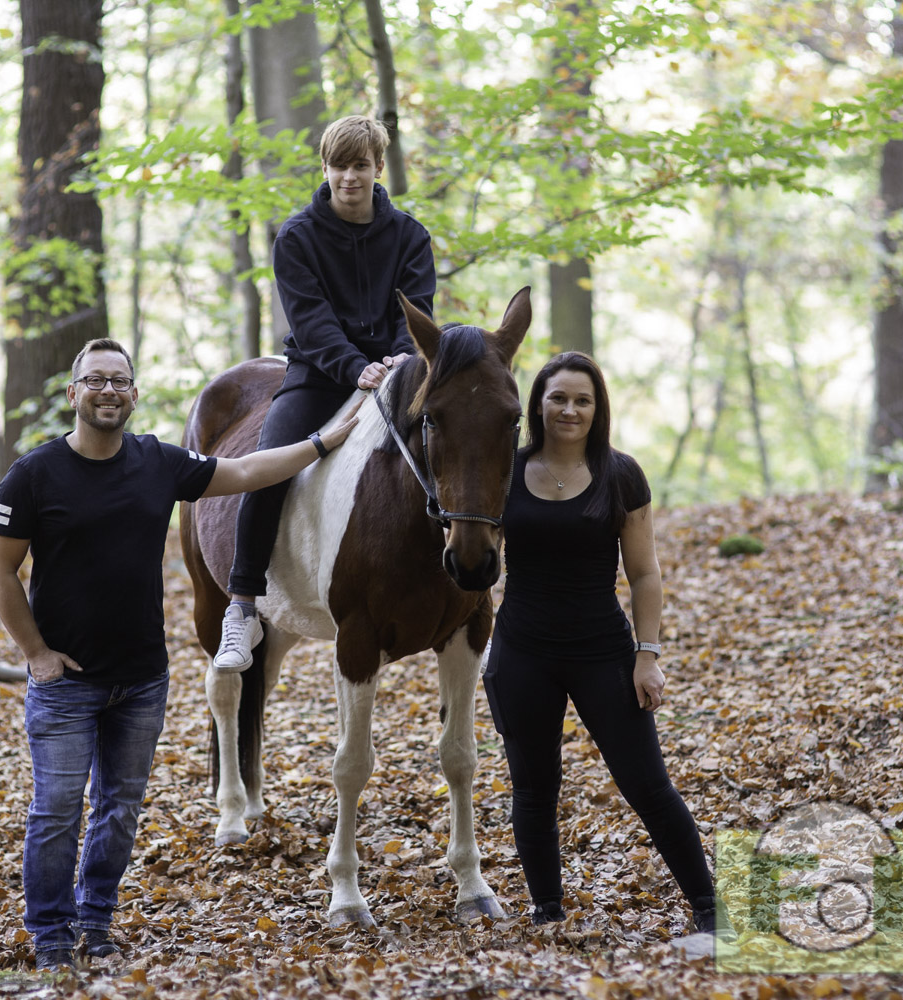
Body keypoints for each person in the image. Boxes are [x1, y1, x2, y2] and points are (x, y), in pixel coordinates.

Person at [0, 338, 359, 973]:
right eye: (95, 380)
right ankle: (50, 936)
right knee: (57, 813)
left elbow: (247, 473)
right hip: (66, 683)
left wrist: (324, 442)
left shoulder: (157, 461)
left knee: (119, 810)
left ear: (133, 394)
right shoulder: (33, 475)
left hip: (141, 681)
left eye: (119, 381)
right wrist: (36, 653)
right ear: (74, 393)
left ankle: (96, 920)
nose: (108, 391)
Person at [481, 351, 718, 936]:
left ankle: (711, 911)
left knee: (648, 786)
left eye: (582, 400)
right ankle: (548, 913)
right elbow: (470, 552)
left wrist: (647, 655)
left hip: (603, 652)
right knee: (534, 789)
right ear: (538, 404)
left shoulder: (621, 473)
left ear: (597, 408)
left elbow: (645, 573)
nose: (570, 409)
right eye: (558, 398)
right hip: (522, 653)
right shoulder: (503, 469)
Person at [212, 113, 436, 672]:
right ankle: (242, 605)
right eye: (339, 166)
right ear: (326, 168)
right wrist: (354, 367)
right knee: (270, 463)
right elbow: (310, 321)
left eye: (359, 165)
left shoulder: (410, 236)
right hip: (318, 373)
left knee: (454, 439)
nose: (348, 177)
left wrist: (395, 359)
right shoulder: (297, 236)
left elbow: (415, 313)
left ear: (378, 167)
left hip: (395, 370)